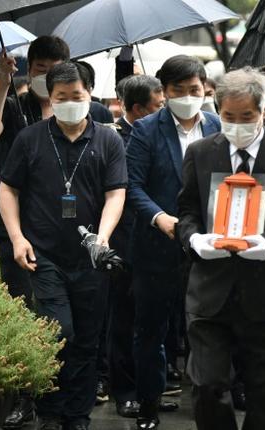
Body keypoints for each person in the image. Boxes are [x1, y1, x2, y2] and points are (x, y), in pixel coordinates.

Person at [176, 66, 265, 430]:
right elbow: (187, 211)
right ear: (217, 110)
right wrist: (195, 239)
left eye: (247, 116)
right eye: (229, 117)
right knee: (207, 385)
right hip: (211, 291)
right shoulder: (200, 152)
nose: (238, 124)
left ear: (264, 110)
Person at [0, 61, 127, 430]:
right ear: (49, 98)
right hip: (44, 254)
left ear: (90, 94)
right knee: (58, 331)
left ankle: (76, 414)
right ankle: (51, 410)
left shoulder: (108, 138)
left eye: (77, 96)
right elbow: (9, 188)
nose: (70, 102)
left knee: (87, 339)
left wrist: (102, 238)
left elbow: (116, 193)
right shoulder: (31, 138)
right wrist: (17, 237)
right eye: (61, 97)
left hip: (89, 257)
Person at [0, 36, 72, 429]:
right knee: (24, 310)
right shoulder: (16, 106)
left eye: (55, 68)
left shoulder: (83, 109)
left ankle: (66, 398)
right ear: (29, 69)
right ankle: (25, 399)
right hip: (15, 225)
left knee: (63, 320)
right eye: (40, 68)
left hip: (65, 228)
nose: (46, 76)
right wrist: (2, 80)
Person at [126, 55, 220, 429]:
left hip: (206, 244)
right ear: (164, 93)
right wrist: (158, 216)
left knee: (206, 327)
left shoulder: (215, 124)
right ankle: (149, 403)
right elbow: (131, 185)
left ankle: (207, 402)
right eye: (178, 91)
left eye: (194, 90)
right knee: (152, 329)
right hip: (157, 245)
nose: (187, 97)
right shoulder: (146, 130)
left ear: (204, 90)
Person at [107, 74, 167, 419]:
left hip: (160, 239)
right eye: (157, 105)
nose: (163, 110)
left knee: (154, 323)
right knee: (124, 321)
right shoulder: (115, 138)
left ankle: (151, 391)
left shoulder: (163, 132)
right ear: (136, 109)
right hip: (125, 240)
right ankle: (125, 390)